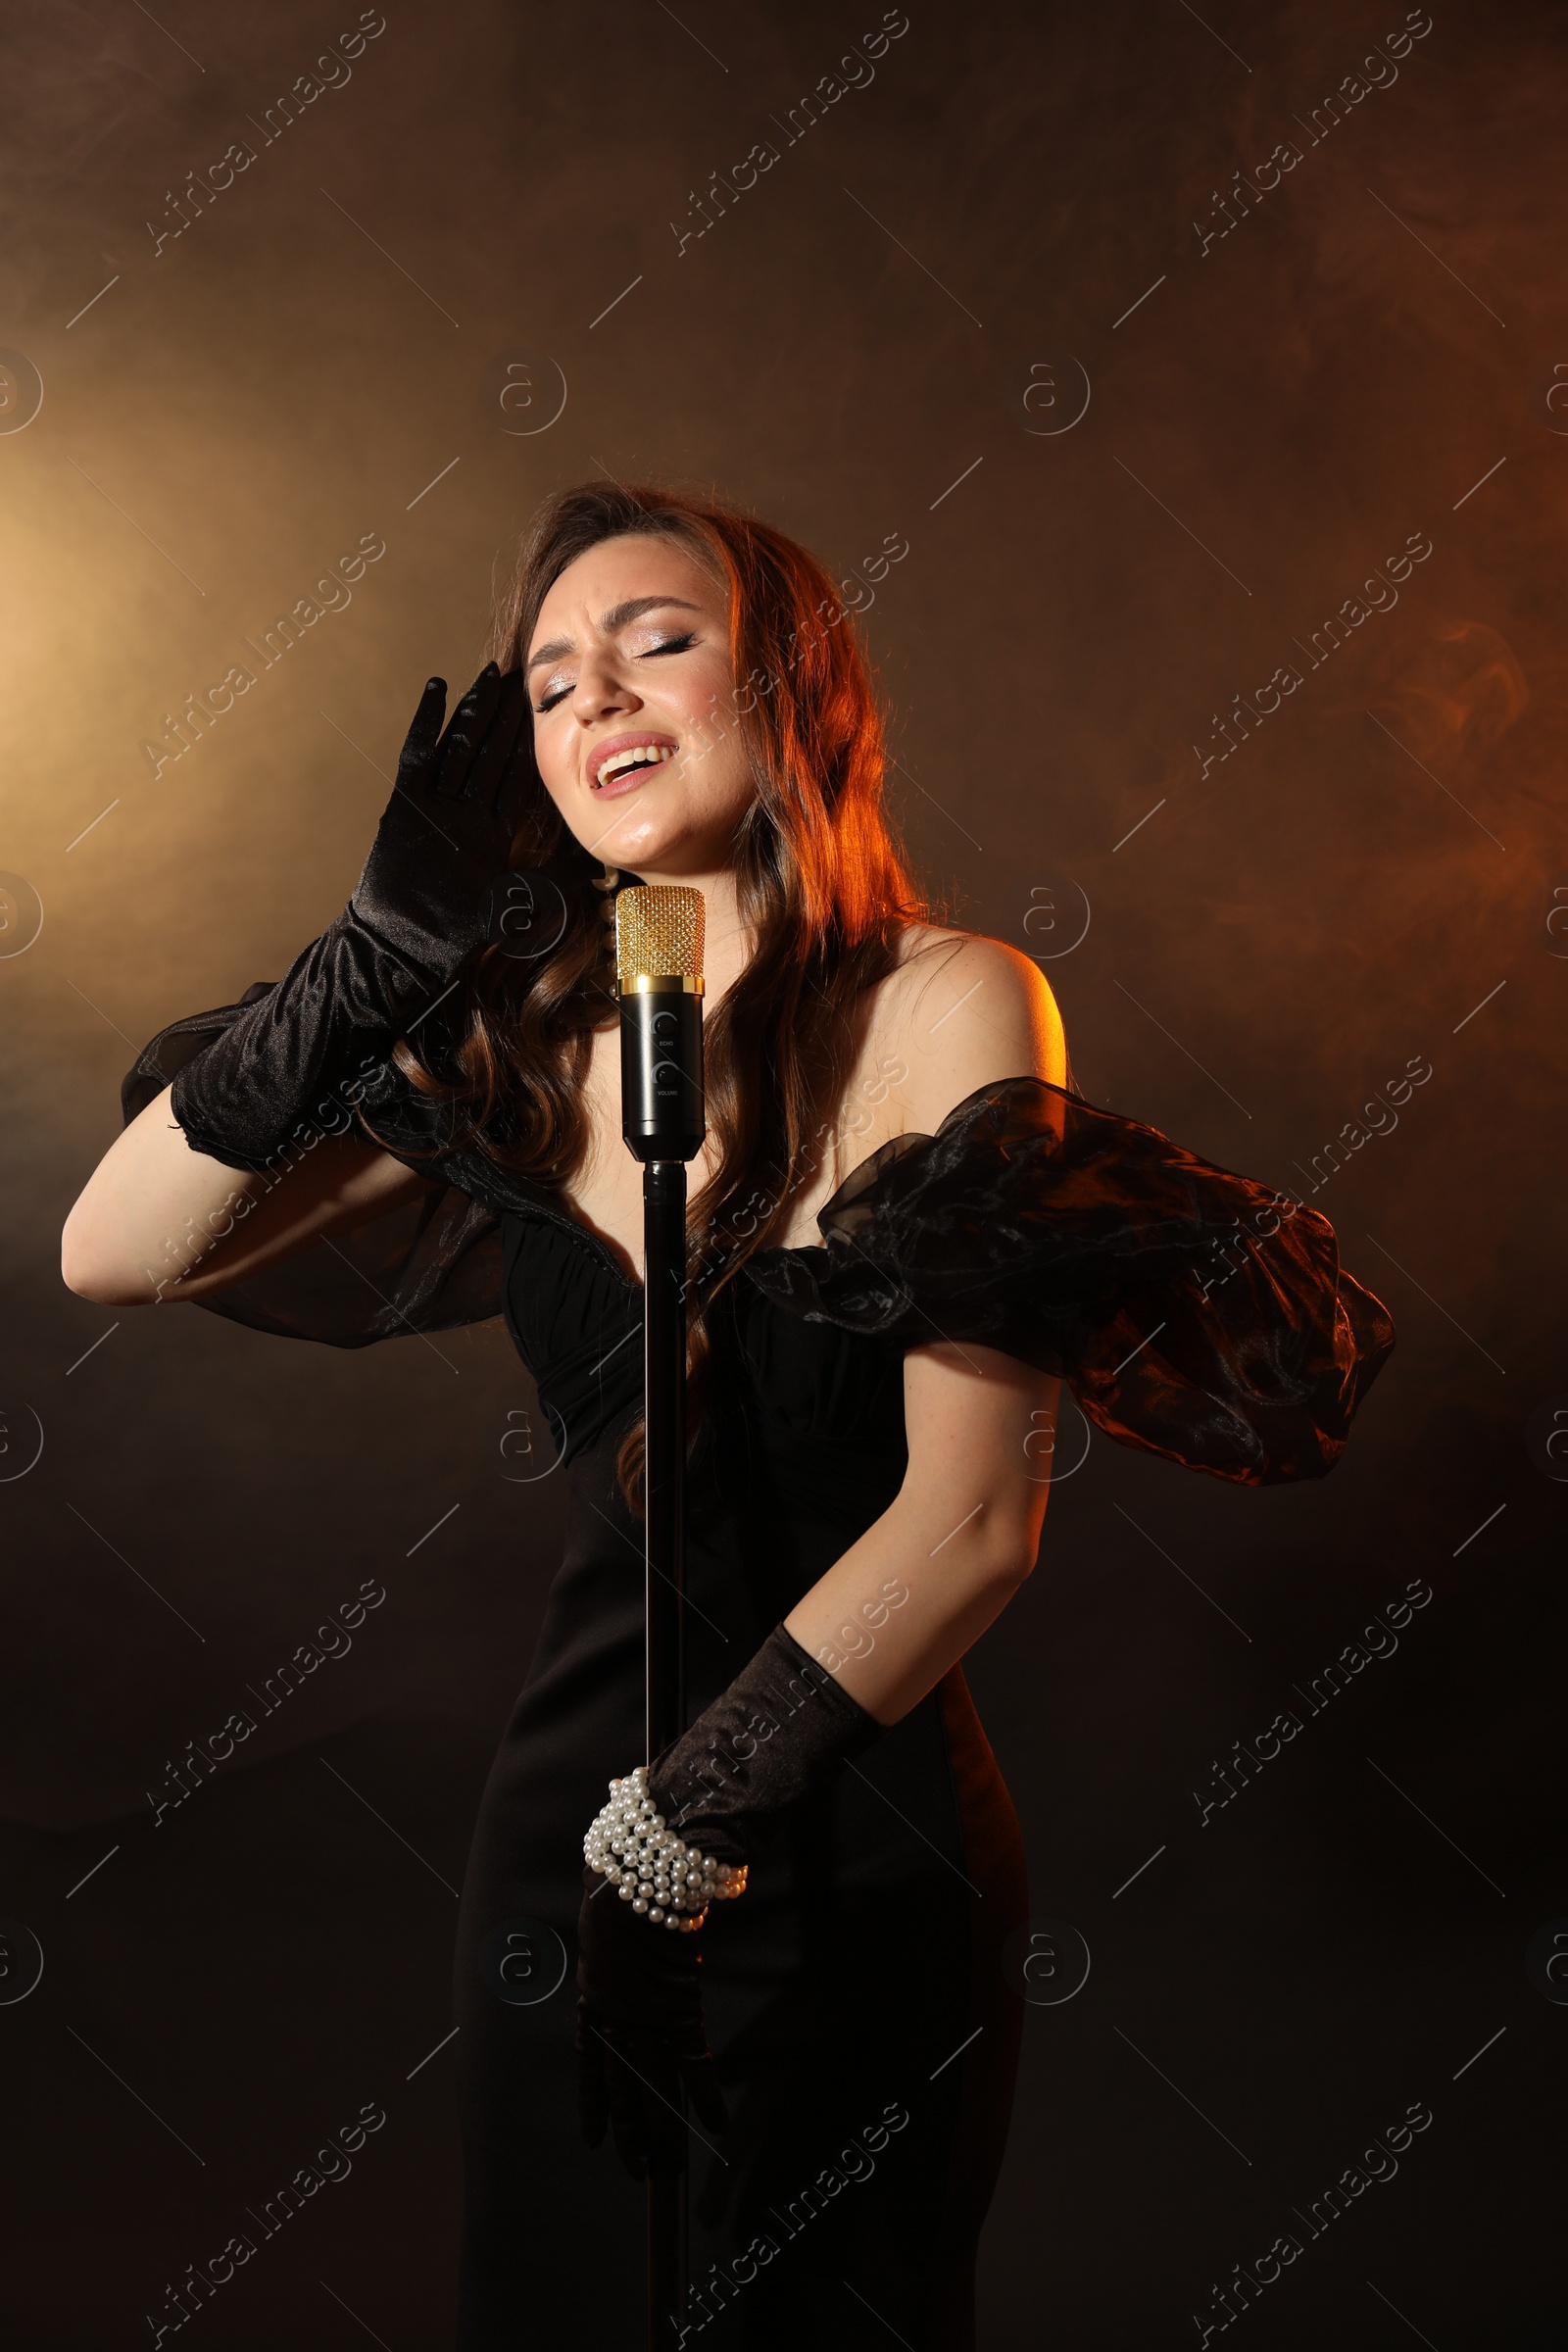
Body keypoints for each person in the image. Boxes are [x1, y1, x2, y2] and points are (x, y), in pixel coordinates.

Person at [62, 482, 1394, 2350]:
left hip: (841, 1838)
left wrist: (680, 1833)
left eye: (655, 643)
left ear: (794, 693)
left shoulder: (951, 1006)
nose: (595, 699)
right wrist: (368, 962)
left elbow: (967, 1521)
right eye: (548, 682)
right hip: (560, 1843)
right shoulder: (523, 1042)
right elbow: (113, 1251)